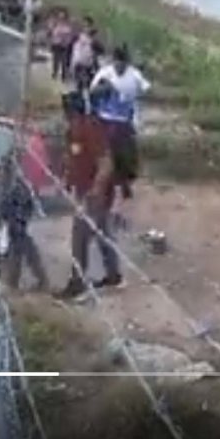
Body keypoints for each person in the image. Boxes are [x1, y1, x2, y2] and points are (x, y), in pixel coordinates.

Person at [60, 89, 122, 298]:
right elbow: (73, 159)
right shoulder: (73, 131)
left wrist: (96, 190)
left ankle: (77, 281)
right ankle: (113, 274)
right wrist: (68, 181)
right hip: (85, 191)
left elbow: (106, 163)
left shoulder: (90, 129)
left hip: (95, 193)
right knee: (102, 232)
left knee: (80, 236)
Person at [92, 45, 150, 200]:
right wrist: (105, 88)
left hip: (123, 121)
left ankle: (125, 183)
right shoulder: (105, 73)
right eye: (117, 63)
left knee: (128, 157)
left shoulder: (134, 75)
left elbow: (146, 90)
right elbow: (93, 92)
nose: (119, 66)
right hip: (104, 119)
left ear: (127, 63)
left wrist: (133, 101)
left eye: (122, 64)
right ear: (113, 61)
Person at [0, 168, 50, 291]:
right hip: (19, 184)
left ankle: (18, 279)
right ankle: (16, 279)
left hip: (20, 185)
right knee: (18, 240)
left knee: (19, 237)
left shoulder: (17, 182)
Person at [69, 16, 104, 93]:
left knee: (88, 85)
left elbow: (101, 51)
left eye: (88, 26)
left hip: (89, 65)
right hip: (78, 64)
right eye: (84, 26)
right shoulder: (77, 36)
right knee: (79, 85)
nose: (86, 28)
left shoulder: (94, 40)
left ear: (91, 27)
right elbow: (70, 48)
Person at [49, 10, 74, 83]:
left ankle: (64, 77)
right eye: (60, 16)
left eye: (62, 17)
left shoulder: (67, 26)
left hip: (63, 46)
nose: (61, 18)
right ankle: (54, 74)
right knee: (55, 61)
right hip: (56, 45)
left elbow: (69, 36)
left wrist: (66, 42)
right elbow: (52, 34)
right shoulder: (55, 25)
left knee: (64, 62)